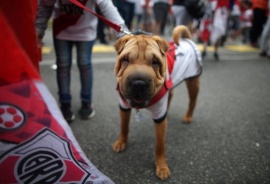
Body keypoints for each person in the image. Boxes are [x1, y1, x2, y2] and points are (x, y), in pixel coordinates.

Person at [35, 0, 125, 122]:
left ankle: (86, 102)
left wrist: (124, 35)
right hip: (62, 30)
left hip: (86, 30)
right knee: (62, 65)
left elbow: (107, 7)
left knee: (84, 64)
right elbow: (45, 8)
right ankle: (65, 103)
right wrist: (38, 32)